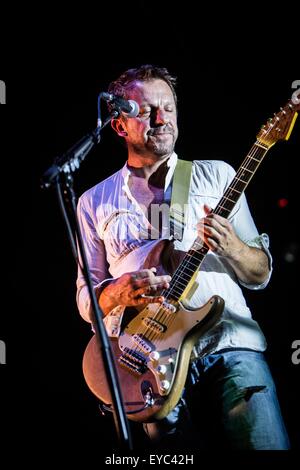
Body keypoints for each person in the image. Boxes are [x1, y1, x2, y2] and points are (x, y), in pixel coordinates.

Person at [76, 65, 290, 450]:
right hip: (147, 366)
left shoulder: (216, 176)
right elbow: (85, 297)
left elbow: (260, 275)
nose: (162, 119)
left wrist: (234, 249)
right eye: (147, 111)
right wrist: (117, 292)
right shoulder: (92, 201)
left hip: (228, 346)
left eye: (169, 108)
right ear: (119, 125)